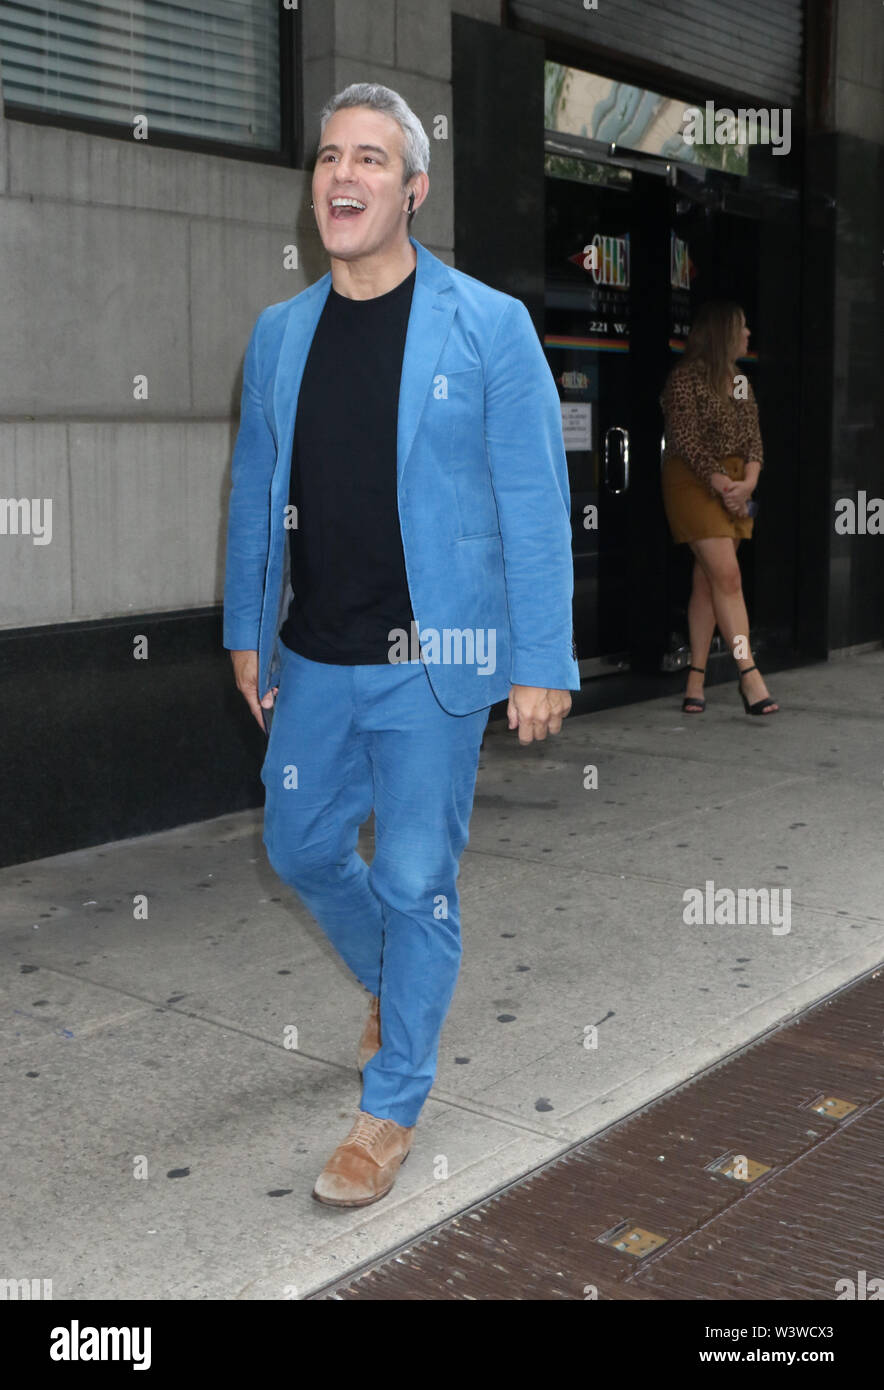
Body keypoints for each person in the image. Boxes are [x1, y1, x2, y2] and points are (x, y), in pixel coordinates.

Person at [223, 83, 580, 1208]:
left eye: (371, 159)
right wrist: (246, 627)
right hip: (314, 654)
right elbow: (251, 495)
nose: (343, 175)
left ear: (412, 191)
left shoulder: (487, 324)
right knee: (299, 847)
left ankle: (389, 1108)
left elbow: (531, 497)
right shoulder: (279, 336)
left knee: (419, 877)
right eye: (330, 155)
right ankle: (392, 974)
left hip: (437, 658)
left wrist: (540, 658)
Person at [659, 300, 778, 717]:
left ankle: (695, 678)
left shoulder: (739, 380)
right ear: (722, 333)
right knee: (727, 575)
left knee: (708, 582)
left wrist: (747, 483)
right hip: (692, 483)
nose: (748, 336)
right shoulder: (684, 380)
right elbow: (687, 439)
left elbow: (753, 438)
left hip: (733, 485)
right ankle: (748, 673)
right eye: (742, 328)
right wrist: (722, 483)